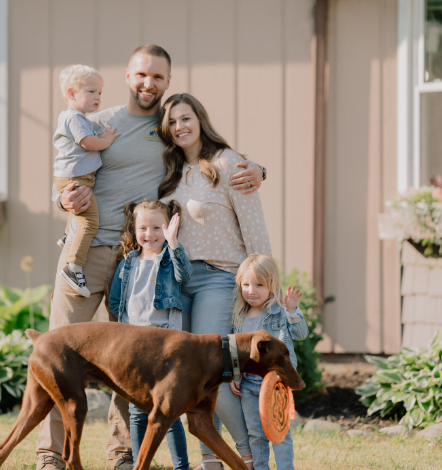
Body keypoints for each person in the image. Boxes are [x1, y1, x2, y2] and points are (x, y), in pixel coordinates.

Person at [39, 44, 265, 470]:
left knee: (131, 359)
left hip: (140, 262)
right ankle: (51, 455)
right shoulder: (96, 123)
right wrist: (63, 197)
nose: (149, 84)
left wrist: (258, 169)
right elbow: (65, 172)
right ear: (127, 75)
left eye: (158, 77)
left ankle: (122, 453)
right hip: (85, 255)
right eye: (142, 75)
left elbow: (208, 153)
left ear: (168, 82)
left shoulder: (168, 130)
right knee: (60, 352)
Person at [158, 93, 272, 470]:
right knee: (191, 380)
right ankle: (211, 461)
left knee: (211, 371)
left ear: (200, 119)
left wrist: (262, 288)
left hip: (219, 279)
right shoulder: (170, 170)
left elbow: (255, 231)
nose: (179, 127)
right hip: (178, 282)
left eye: (185, 118)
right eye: (171, 122)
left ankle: (250, 456)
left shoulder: (230, 163)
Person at [108, 200, 191, 470]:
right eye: (143, 227)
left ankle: (181, 466)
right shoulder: (128, 262)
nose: (149, 234)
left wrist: (174, 243)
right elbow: (116, 300)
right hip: (133, 344)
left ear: (167, 228)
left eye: (157, 227)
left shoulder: (168, 258)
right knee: (136, 410)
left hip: (164, 343)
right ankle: (139, 465)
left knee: (167, 409)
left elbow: (186, 275)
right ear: (134, 229)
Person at [229, 254, 308, 470]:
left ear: (272, 285)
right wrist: (234, 375)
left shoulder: (279, 313)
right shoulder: (239, 315)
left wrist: (292, 310)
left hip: (275, 384)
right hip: (247, 385)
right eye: (245, 284)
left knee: (279, 432)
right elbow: (235, 348)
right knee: (255, 433)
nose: (251, 291)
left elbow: (300, 334)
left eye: (259, 285)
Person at [53, 64, 120, 297]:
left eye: (100, 93)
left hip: (74, 176)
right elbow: (87, 143)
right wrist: (106, 141)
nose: (97, 98)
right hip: (76, 177)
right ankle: (74, 267)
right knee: (90, 222)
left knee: (80, 213)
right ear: (71, 93)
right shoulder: (75, 118)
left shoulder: (75, 117)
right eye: (91, 92)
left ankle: (66, 237)